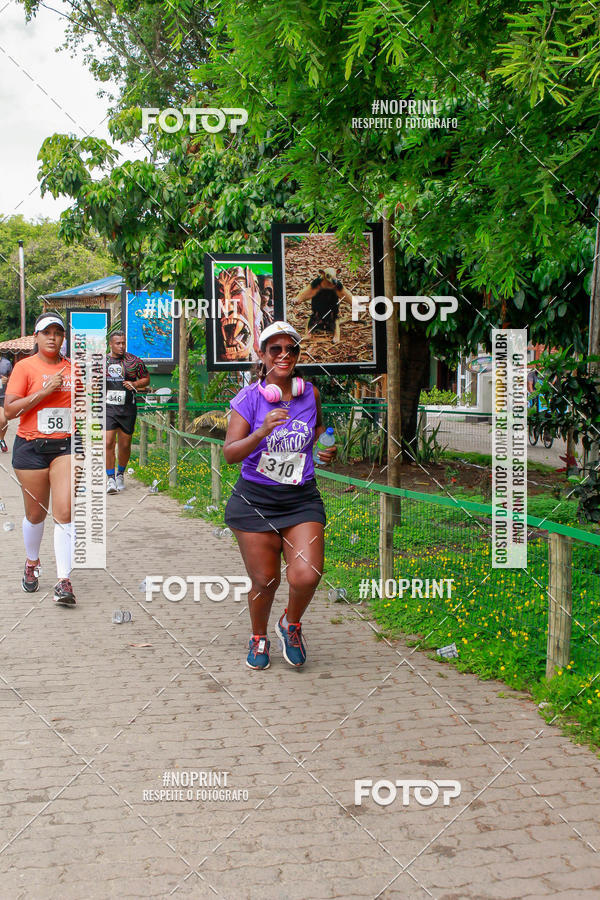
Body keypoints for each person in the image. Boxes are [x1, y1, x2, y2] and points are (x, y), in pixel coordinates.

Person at [223, 320, 337, 671]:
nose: (284, 355)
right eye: (276, 349)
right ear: (263, 354)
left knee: (307, 574)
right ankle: (259, 635)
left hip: (301, 498)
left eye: (291, 349)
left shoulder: (310, 393)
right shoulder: (249, 399)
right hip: (255, 501)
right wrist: (261, 432)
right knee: (265, 579)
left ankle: (291, 624)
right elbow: (230, 453)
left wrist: (324, 447)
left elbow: (317, 431)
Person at [3, 312, 76, 605]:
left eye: (58, 333)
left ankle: (63, 581)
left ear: (63, 338)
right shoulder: (24, 368)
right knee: (36, 515)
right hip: (30, 448)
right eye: (47, 333)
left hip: (65, 447)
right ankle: (31, 562)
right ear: (36, 337)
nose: (53, 338)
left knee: (65, 512)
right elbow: (10, 411)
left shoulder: (74, 369)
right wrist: (44, 392)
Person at [105, 331, 149, 493]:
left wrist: (135, 384)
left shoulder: (134, 361)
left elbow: (146, 378)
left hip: (127, 408)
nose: (121, 346)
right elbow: (92, 381)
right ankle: (110, 479)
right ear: (111, 344)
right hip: (108, 408)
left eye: (123, 343)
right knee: (108, 442)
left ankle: (120, 474)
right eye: (118, 343)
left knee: (124, 444)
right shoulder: (103, 362)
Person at [0, 353, 13, 452]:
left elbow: (13, 379)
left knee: (3, 421)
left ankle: (1, 439)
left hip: (2, 396)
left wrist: (7, 380)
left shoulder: (7, 363)